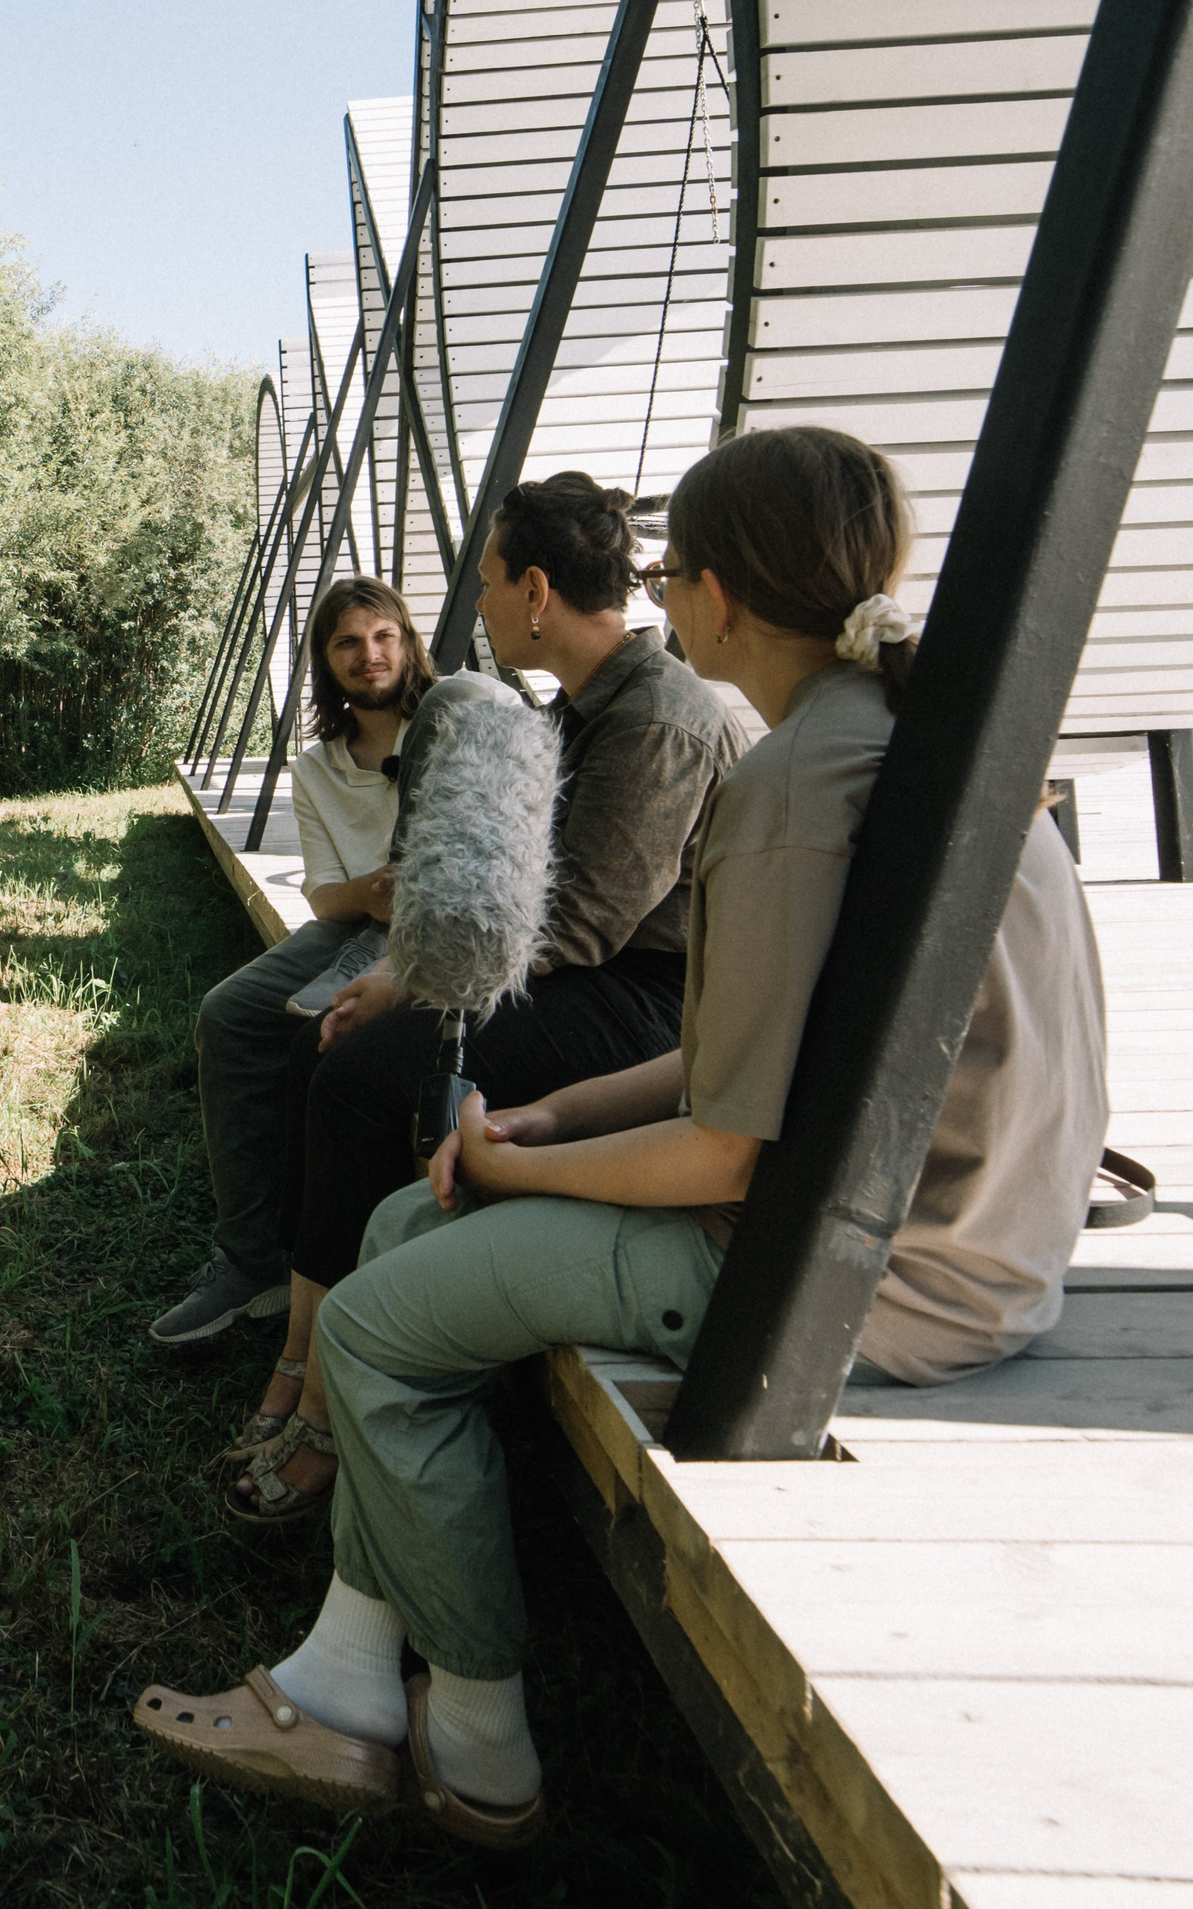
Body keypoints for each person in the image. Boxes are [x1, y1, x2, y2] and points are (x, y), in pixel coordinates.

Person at [135, 425, 1108, 1845]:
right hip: (957, 1245)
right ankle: (347, 1676)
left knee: (374, 1324)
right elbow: (739, 1067)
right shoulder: (913, 734)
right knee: (407, 1223)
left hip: (873, 1289)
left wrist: (518, 1163)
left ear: (711, 592)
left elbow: (720, 1154)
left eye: (670, 574)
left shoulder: (790, 787)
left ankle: (475, 1744)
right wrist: (546, 1114)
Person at [226, 474, 742, 1515]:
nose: (485, 606)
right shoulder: (597, 706)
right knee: (322, 1051)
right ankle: (299, 1343)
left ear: (539, 590)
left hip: (643, 1005)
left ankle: (322, 1400)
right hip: (585, 978)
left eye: (493, 581)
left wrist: (405, 978)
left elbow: (581, 925)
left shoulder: (658, 719)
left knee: (367, 1076)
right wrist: (397, 976)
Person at [151, 578, 435, 1352]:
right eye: (348, 643)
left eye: (383, 637)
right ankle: (250, 1262)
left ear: (408, 643)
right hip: (358, 919)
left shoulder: (446, 729)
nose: (369, 655)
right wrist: (370, 890)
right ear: (326, 663)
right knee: (230, 1011)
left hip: (436, 923)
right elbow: (321, 897)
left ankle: (333, 1263)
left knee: (320, 1022)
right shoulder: (318, 768)